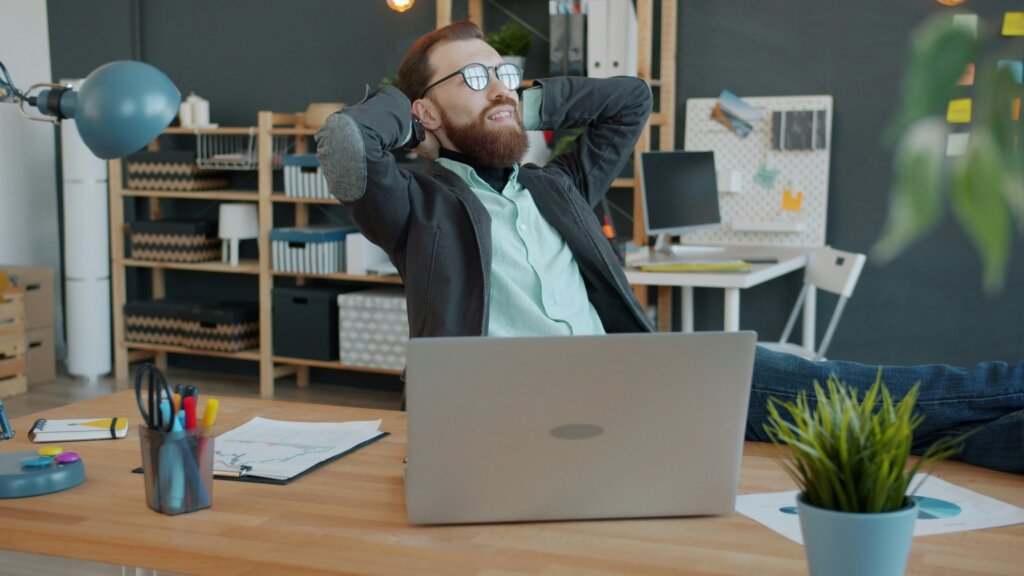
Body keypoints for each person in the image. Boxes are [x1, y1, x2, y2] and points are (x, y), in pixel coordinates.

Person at [316, 21, 1023, 474]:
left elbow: (630, 98)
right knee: (853, 403)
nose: (498, 86)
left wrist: (513, 102)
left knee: (853, 402)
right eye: (473, 78)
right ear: (425, 111)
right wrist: (409, 117)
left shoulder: (556, 187)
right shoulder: (417, 207)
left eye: (503, 72)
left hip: (637, 383)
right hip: (514, 419)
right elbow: (348, 141)